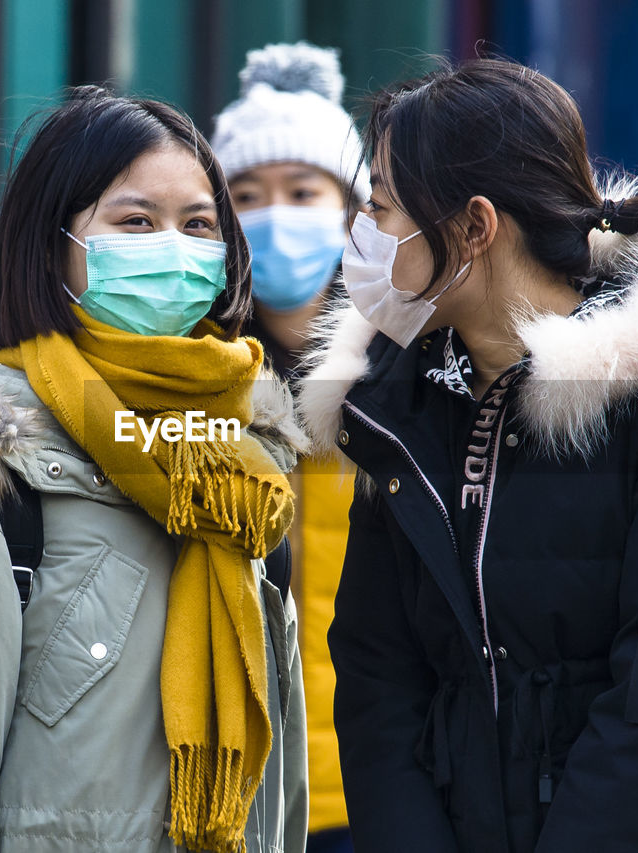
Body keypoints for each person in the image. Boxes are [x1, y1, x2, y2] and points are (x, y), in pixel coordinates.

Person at [297, 57, 638, 852]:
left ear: (474, 227)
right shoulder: (396, 412)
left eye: (385, 209)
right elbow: (376, 682)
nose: (364, 238)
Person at [0, 87, 308, 853]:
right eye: (135, 221)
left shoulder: (242, 484)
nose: (174, 248)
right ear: (55, 245)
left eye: (199, 225)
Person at [211, 42, 364, 853]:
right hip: (230, 789)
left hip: (373, 787)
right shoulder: (195, 379)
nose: (274, 216)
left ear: (352, 211)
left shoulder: (402, 376)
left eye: (303, 192)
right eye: (245, 194)